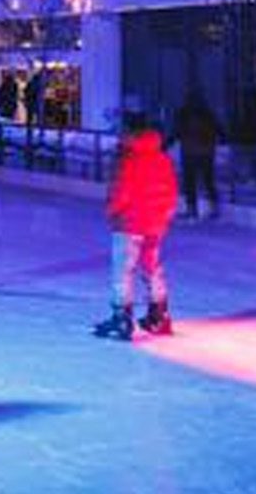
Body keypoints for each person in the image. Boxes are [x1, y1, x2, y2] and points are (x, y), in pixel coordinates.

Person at [93, 108, 179, 341]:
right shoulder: (162, 158)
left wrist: (112, 210)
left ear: (132, 134)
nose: (119, 136)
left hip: (130, 222)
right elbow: (172, 191)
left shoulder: (130, 159)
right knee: (152, 267)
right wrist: (164, 216)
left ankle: (122, 318)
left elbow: (122, 191)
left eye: (122, 132)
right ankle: (159, 315)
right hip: (155, 223)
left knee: (124, 270)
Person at [170, 87, 222, 219]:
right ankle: (214, 208)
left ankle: (192, 209)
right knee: (208, 180)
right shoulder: (207, 113)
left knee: (190, 182)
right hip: (207, 152)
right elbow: (218, 129)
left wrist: (165, 144)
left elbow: (177, 132)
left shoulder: (184, 113)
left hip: (190, 152)